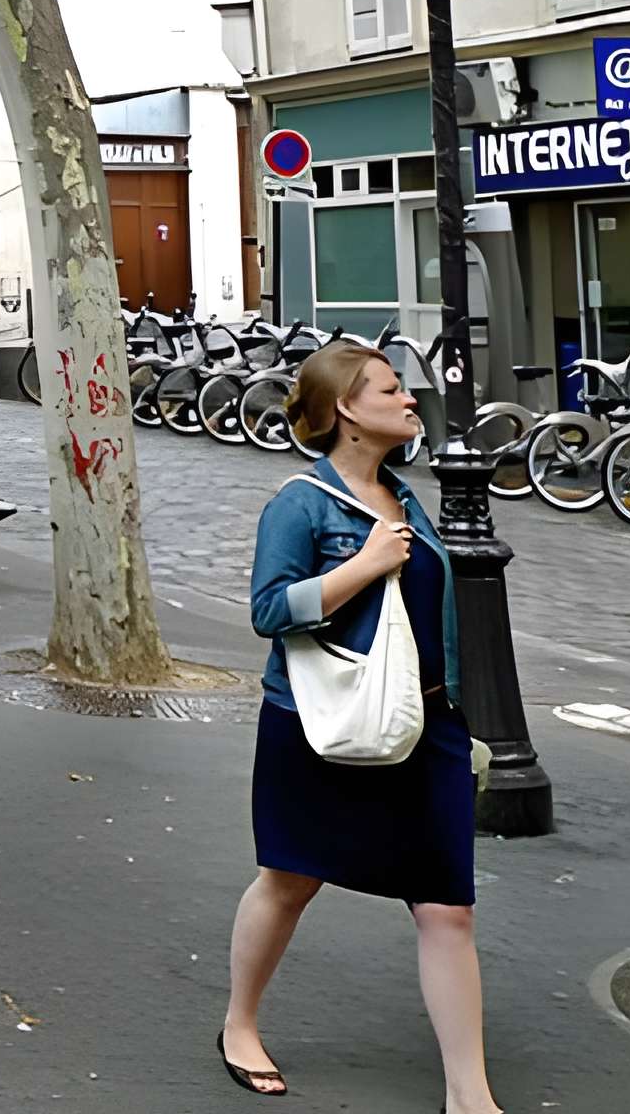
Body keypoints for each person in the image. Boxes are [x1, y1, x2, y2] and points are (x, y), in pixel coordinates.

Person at [218, 342, 495, 1110]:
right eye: (391, 390)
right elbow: (269, 611)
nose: (411, 401)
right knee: (291, 879)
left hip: (425, 723)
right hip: (319, 722)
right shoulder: (301, 504)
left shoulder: (406, 497)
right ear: (346, 409)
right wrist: (362, 567)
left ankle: (470, 1095)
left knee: (448, 905)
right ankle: (240, 1024)